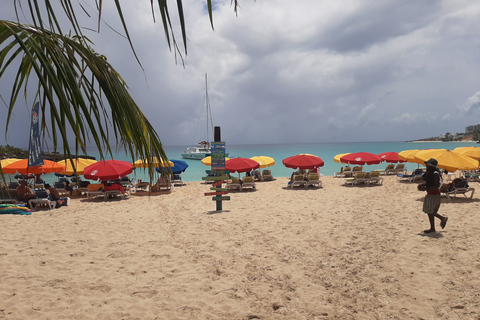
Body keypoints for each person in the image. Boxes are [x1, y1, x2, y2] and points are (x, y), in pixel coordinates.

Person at [417, 158, 448, 233]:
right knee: (430, 211)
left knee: (430, 211)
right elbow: (428, 182)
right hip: (432, 194)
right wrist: (422, 185)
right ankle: (440, 221)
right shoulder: (431, 173)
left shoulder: (435, 173)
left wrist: (426, 188)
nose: (427, 166)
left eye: (428, 165)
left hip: (434, 194)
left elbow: (436, 185)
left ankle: (434, 226)